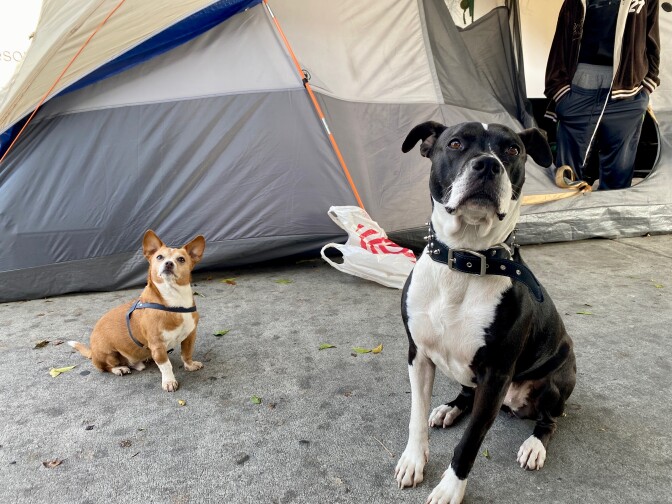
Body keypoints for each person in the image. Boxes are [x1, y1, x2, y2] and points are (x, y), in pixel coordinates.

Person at [544, 0, 660, 190]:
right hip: (580, 84)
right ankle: (569, 218)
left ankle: (612, 219)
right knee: (566, 176)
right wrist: (558, 89)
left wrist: (647, 86)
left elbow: (652, 37)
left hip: (627, 89)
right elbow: (561, 39)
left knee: (618, 178)